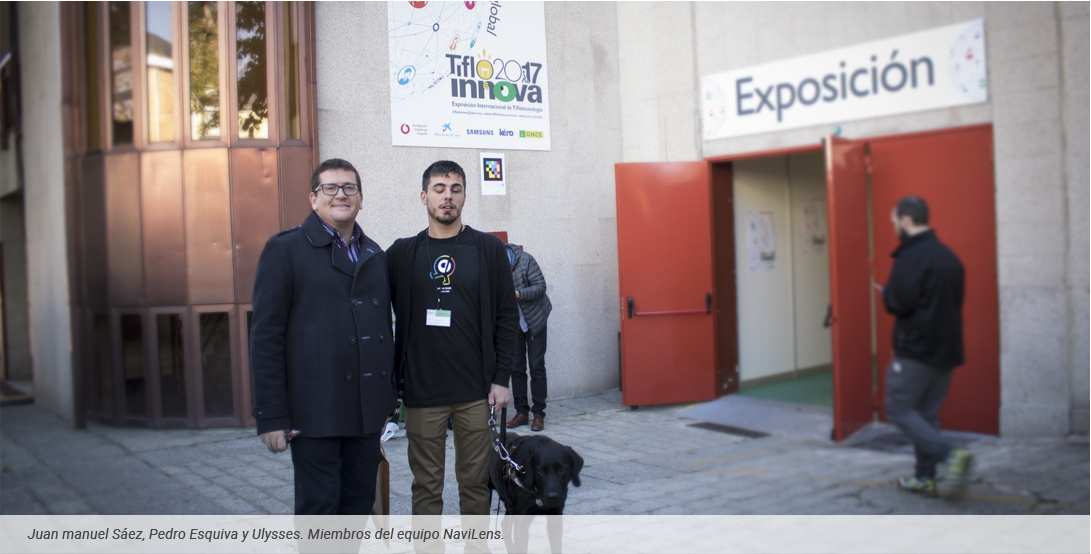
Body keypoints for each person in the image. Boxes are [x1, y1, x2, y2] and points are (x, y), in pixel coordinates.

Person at [249, 158, 397, 516]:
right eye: (329, 188)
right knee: (320, 508)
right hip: (315, 410)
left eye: (349, 188)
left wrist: (388, 399)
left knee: (358, 504)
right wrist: (271, 416)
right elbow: (266, 338)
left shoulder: (375, 254)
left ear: (361, 199)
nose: (340, 195)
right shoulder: (284, 250)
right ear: (313, 199)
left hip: (365, 414)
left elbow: (382, 331)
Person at [386, 160, 519, 518]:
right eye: (439, 189)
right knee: (426, 486)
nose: (448, 197)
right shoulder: (401, 254)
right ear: (423, 196)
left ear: (464, 197)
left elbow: (507, 317)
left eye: (455, 189)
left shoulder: (488, 250)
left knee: (475, 484)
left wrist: (501, 379)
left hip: (476, 392)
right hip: (421, 393)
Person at [880, 195, 973, 498]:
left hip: (916, 351)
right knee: (926, 414)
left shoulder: (910, 256)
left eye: (894, 221)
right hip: (946, 351)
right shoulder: (949, 256)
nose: (892, 226)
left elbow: (897, 303)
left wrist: (886, 294)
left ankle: (950, 456)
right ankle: (925, 478)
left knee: (900, 409)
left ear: (907, 221)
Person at [503, 242, 552, 432]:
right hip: (512, 323)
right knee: (516, 368)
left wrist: (517, 293)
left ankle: (538, 414)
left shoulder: (526, 260)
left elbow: (540, 286)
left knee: (536, 365)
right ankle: (522, 413)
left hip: (535, 320)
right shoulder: (494, 266)